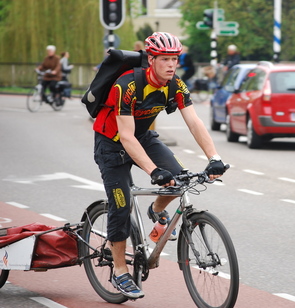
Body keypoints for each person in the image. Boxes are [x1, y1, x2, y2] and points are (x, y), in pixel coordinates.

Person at [92, 32, 226, 299]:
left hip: (144, 138)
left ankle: (156, 210)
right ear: (151, 59)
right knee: (120, 207)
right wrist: (154, 171)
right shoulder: (127, 85)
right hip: (112, 144)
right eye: (165, 58)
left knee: (180, 178)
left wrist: (214, 157)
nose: (171, 64)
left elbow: (194, 122)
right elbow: (126, 136)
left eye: (174, 59)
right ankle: (120, 271)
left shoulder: (175, 84)